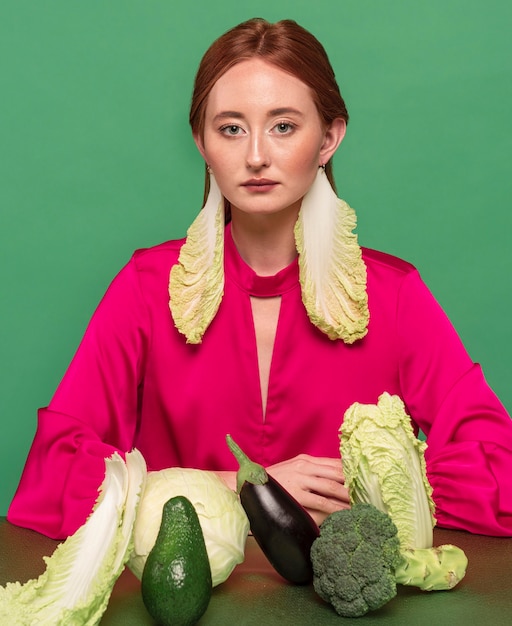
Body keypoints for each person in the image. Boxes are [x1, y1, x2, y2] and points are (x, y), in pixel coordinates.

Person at [8, 18, 512, 539]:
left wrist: (365, 488)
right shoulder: (145, 287)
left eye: (284, 126)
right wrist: (248, 485)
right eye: (230, 128)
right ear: (201, 143)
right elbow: (54, 472)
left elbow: (501, 472)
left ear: (329, 138)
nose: (255, 156)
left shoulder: (396, 294)